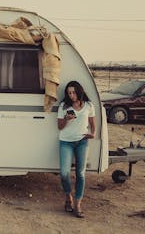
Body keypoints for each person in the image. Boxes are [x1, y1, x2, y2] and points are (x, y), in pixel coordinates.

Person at [57, 80, 96, 218]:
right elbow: (60, 127)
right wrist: (67, 119)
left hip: (82, 142)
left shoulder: (89, 105)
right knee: (64, 173)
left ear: (79, 91)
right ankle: (68, 197)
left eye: (73, 92)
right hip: (66, 142)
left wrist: (93, 133)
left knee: (80, 173)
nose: (71, 95)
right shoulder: (63, 106)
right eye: (69, 93)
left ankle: (78, 204)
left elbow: (92, 122)